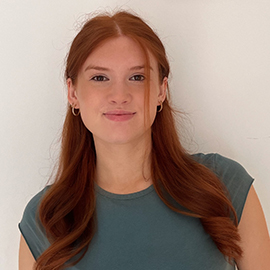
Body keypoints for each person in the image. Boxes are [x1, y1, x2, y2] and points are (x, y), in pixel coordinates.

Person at [18, 10, 270, 270]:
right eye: (100, 78)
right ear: (72, 93)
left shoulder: (224, 186)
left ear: (161, 90)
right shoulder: (45, 220)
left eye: (137, 77)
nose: (119, 95)